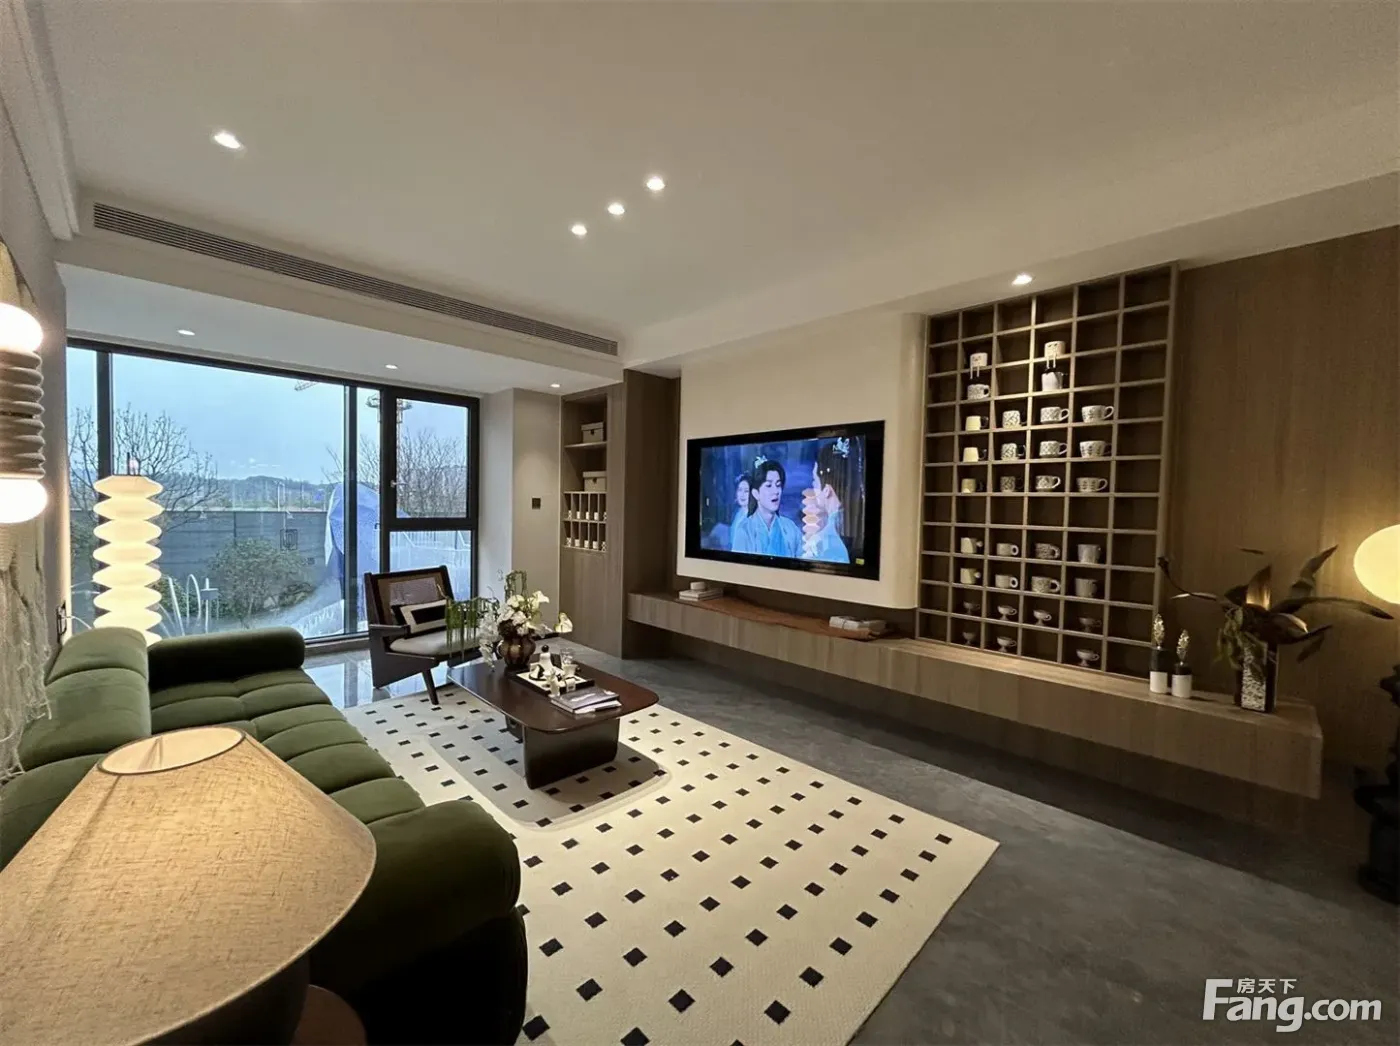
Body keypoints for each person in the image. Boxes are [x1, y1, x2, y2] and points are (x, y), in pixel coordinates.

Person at [730, 459, 801, 557]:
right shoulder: (744, 530)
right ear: (756, 493)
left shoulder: (791, 528)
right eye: (769, 485)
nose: (776, 491)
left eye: (778, 485)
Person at [802, 438, 856, 564]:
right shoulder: (851, 524)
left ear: (826, 490)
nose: (813, 488)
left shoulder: (821, 544)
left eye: (814, 481)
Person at [703, 475, 752, 550]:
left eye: (746, 491)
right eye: (739, 490)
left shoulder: (753, 517)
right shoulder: (739, 512)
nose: (742, 495)